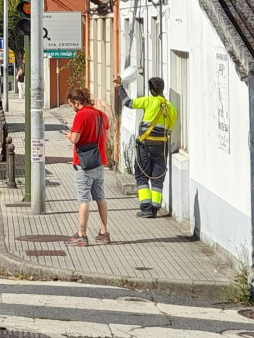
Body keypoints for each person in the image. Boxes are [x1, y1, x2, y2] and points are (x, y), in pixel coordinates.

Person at [114, 75, 178, 218]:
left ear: (151, 90)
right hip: (162, 147)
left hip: (146, 145)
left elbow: (128, 103)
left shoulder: (149, 101)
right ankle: (155, 208)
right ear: (162, 89)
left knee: (142, 175)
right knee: (157, 177)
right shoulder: (171, 108)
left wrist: (120, 86)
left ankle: (146, 208)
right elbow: (170, 129)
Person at [64, 87, 110, 247]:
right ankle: (104, 232)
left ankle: (82, 234)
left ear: (77, 102)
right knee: (100, 197)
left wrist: (70, 135)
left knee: (84, 199)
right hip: (99, 161)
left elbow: (75, 139)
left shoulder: (81, 115)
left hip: (83, 163)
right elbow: (105, 128)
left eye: (72, 104)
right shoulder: (100, 114)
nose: (72, 107)